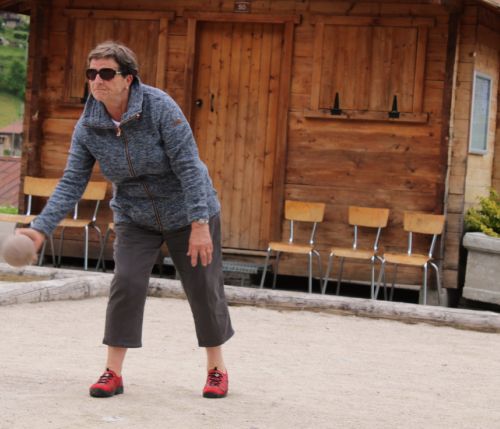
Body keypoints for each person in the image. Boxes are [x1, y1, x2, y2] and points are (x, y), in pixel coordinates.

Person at [17, 41, 234, 399]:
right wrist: (40, 229)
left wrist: (199, 223)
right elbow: (72, 182)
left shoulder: (160, 108)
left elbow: (189, 167)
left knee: (203, 288)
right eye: (91, 73)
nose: (97, 80)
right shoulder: (88, 126)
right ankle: (113, 373)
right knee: (127, 284)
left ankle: (216, 369)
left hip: (187, 211)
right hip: (135, 216)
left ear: (128, 79)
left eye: (106, 73)